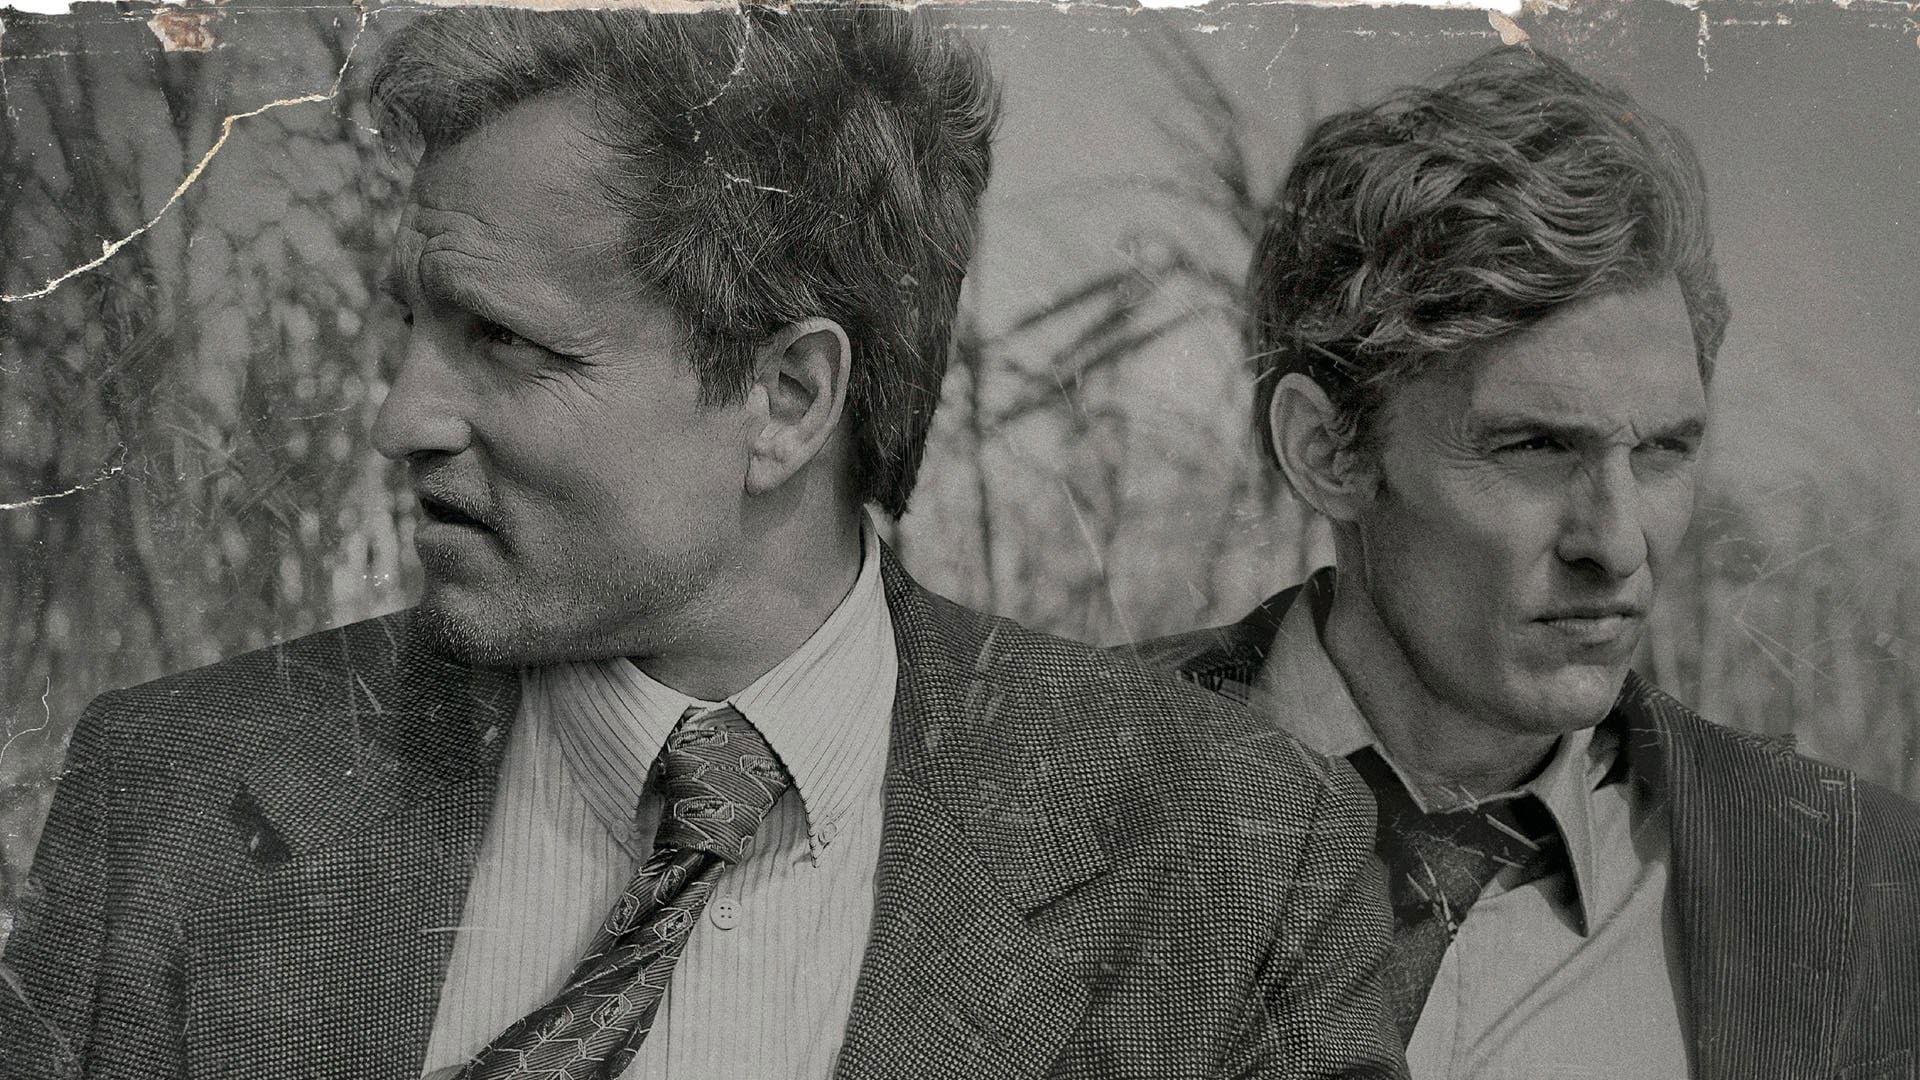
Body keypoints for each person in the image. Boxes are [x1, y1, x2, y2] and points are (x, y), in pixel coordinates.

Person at [0, 8, 1405, 1079]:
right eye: (413, 326)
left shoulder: (1234, 855)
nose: (401, 418)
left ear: (787, 399)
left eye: (506, 341)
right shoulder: (168, 796)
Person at [1132, 46, 1920, 1080]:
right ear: (1326, 452)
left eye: (1663, 450)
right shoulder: (1011, 790)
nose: (1619, 544)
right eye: (1538, 447)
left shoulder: (1863, 891)